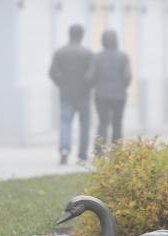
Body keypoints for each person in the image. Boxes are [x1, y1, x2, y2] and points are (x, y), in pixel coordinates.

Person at [49, 24, 94, 164]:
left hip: (66, 94)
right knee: (84, 125)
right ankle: (82, 155)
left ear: (69, 34)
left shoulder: (60, 52)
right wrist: (88, 86)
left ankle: (64, 149)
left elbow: (52, 72)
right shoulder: (88, 53)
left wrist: (61, 83)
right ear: (82, 35)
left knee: (65, 123)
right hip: (84, 95)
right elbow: (92, 75)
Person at [91, 30, 132, 155]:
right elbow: (128, 77)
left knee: (103, 122)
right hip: (119, 95)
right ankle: (116, 150)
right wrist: (121, 85)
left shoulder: (97, 57)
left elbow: (91, 76)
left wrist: (95, 84)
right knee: (117, 122)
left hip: (101, 94)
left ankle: (99, 150)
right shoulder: (123, 57)